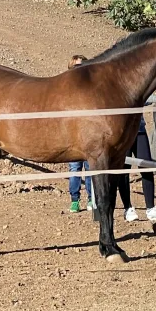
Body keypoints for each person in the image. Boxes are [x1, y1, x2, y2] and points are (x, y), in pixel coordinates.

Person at [68, 53, 156, 222]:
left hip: (139, 128)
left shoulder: (131, 83)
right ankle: (127, 207)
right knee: (122, 169)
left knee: (146, 165)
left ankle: (151, 207)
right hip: (120, 131)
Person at [66, 55, 93, 213]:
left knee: (90, 169)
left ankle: (91, 198)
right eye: (76, 67)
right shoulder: (66, 89)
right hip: (74, 138)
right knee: (75, 169)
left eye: (82, 66)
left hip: (88, 136)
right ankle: (75, 200)